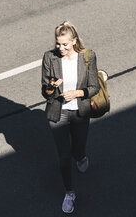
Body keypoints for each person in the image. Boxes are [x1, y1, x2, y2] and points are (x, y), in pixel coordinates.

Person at [41, 21, 100, 214]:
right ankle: (69, 192)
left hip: (79, 111)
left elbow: (94, 88)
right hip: (57, 113)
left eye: (65, 44)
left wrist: (76, 93)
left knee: (78, 149)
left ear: (74, 41)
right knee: (64, 156)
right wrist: (51, 86)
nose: (61, 48)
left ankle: (81, 156)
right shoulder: (49, 58)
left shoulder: (87, 57)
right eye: (58, 44)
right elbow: (45, 92)